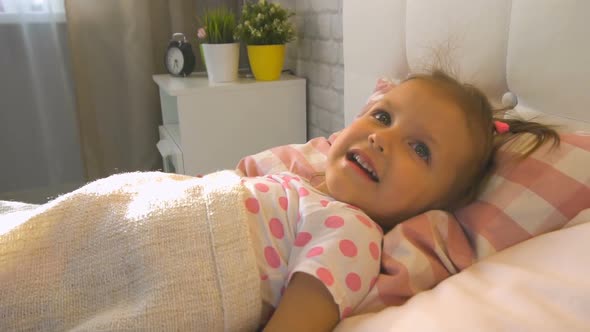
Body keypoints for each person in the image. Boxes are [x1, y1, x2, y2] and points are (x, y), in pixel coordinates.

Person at [0, 69, 559, 332]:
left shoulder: (354, 236)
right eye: (382, 117)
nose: (381, 137)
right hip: (141, 216)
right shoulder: (297, 183)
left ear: (432, 206)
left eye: (419, 148)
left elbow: (298, 322)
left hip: (186, 261)